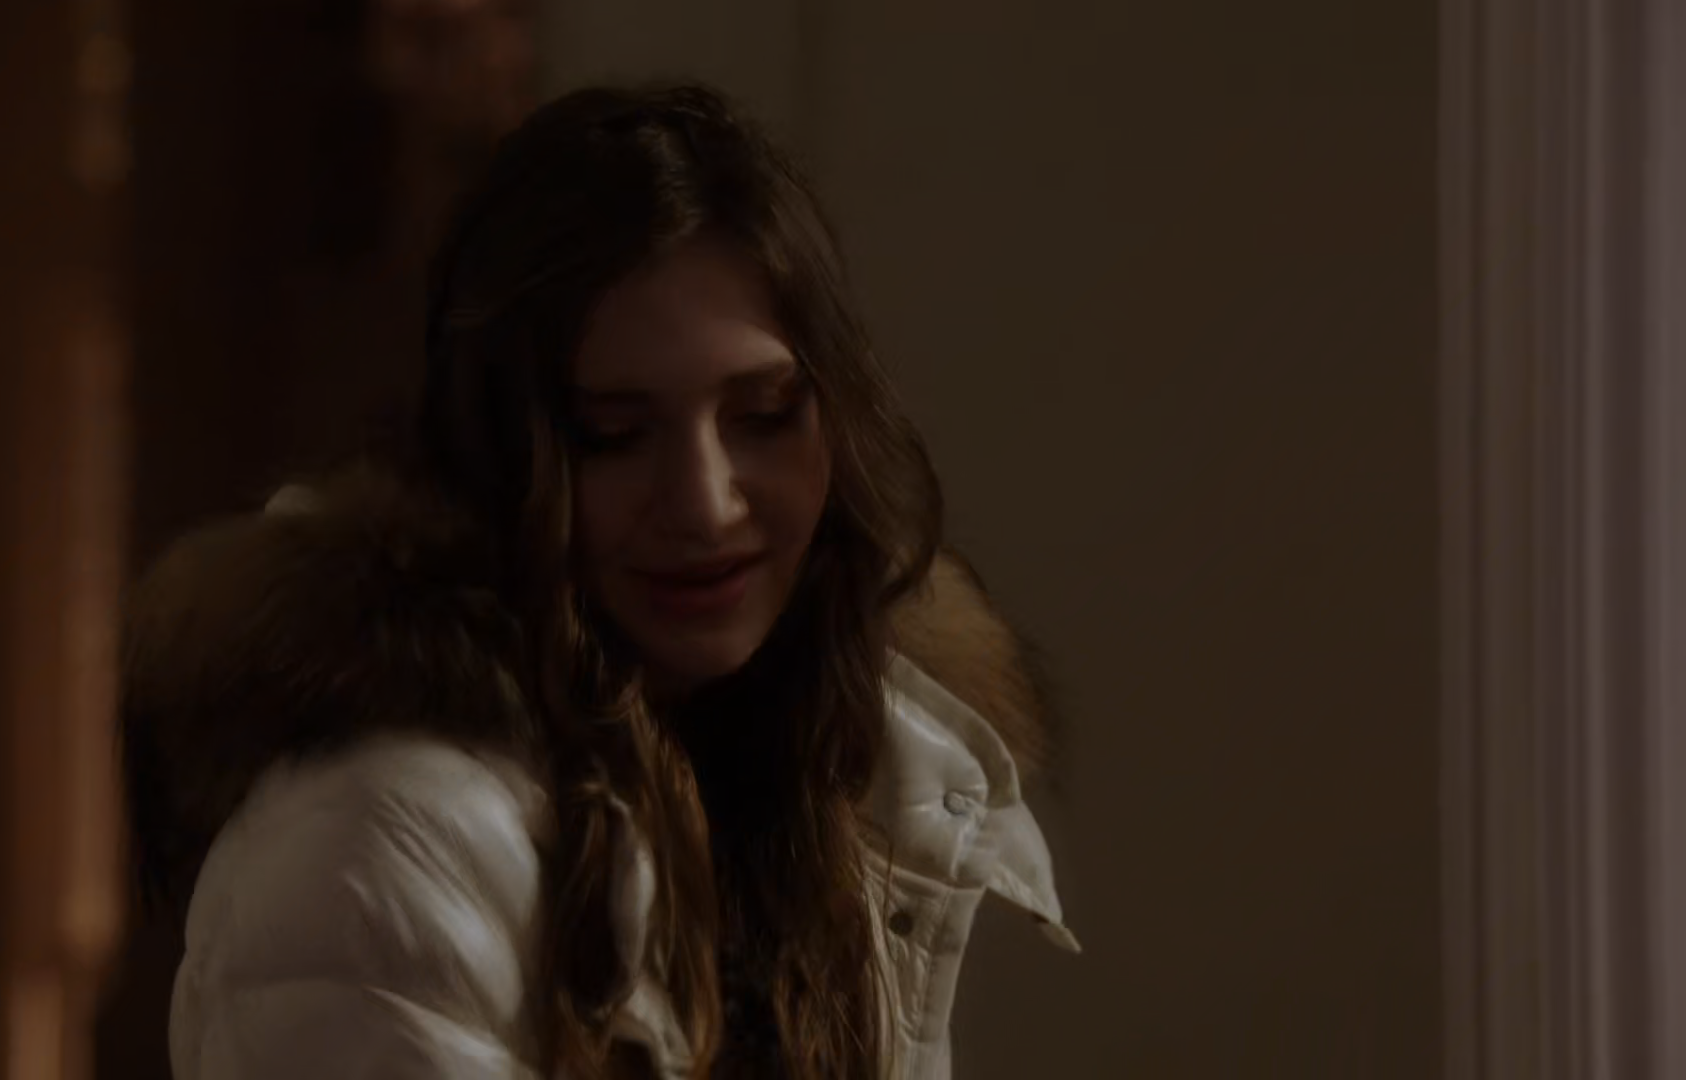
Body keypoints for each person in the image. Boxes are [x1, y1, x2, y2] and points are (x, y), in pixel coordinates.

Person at [118, 83, 1077, 1080]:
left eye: (763, 415)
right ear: (502, 456)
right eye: (613, 434)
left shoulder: (847, 768)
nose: (705, 505)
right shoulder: (391, 833)